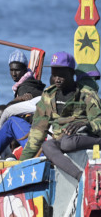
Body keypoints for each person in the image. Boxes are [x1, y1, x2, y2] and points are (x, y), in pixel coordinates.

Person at [20, 52, 101, 180]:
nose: (57, 79)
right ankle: (80, 176)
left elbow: (99, 122)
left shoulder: (87, 94)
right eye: (54, 74)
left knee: (67, 143)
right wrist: (21, 164)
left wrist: (86, 124)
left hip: (82, 138)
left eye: (61, 75)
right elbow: (38, 131)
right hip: (61, 140)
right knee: (47, 146)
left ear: (72, 74)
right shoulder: (48, 95)